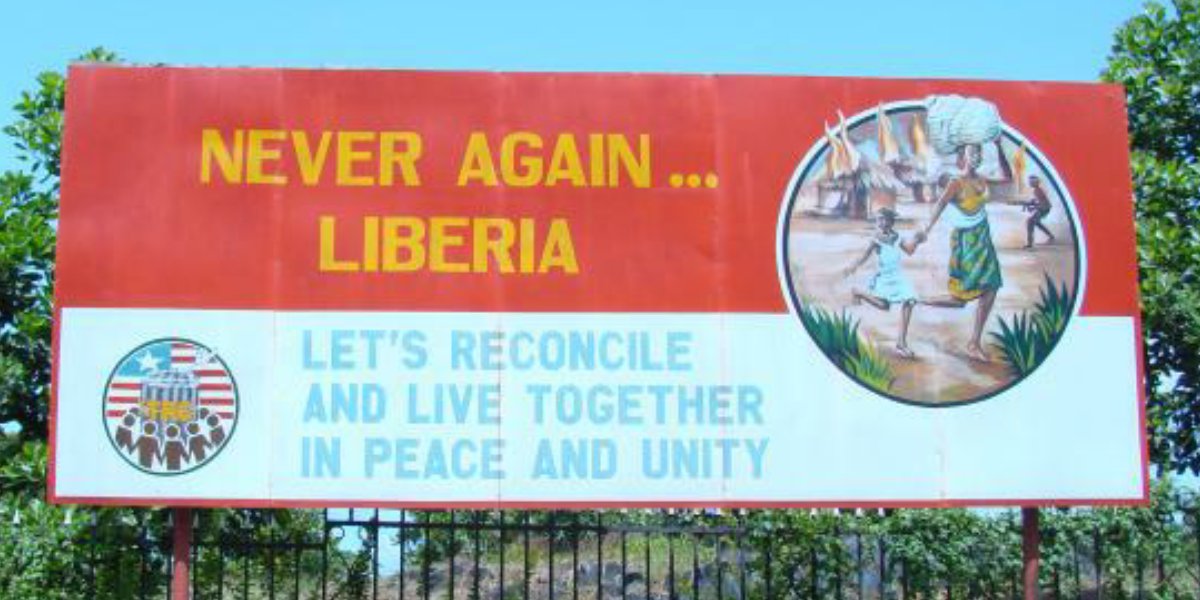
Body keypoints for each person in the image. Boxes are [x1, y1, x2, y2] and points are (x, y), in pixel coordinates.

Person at [921, 139, 1012, 362]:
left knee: (991, 288)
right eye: (972, 154)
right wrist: (925, 230)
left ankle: (974, 342)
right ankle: (921, 300)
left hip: (983, 241)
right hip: (966, 244)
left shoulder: (982, 180)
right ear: (962, 158)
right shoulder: (956, 182)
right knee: (960, 299)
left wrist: (999, 147)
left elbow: (1008, 178)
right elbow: (939, 206)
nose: (977, 158)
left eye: (979, 154)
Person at [844, 206, 927, 358]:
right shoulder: (876, 238)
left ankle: (901, 343)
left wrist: (917, 239)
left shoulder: (897, 236)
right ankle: (859, 292)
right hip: (884, 277)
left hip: (898, 277)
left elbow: (909, 251)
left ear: (891, 221)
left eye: (883, 219)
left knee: (910, 300)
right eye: (878, 219)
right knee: (884, 306)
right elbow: (865, 255)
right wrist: (853, 266)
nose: (880, 222)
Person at [1023, 175, 1055, 248]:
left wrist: (1033, 207)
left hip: (1044, 208)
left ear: (1035, 182)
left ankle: (1030, 243)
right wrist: (1030, 204)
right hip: (1043, 208)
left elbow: (1042, 202)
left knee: (1030, 222)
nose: (1029, 183)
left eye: (1031, 182)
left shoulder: (1038, 190)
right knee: (1035, 222)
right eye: (1029, 181)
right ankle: (1051, 237)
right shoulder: (1037, 190)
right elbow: (1038, 200)